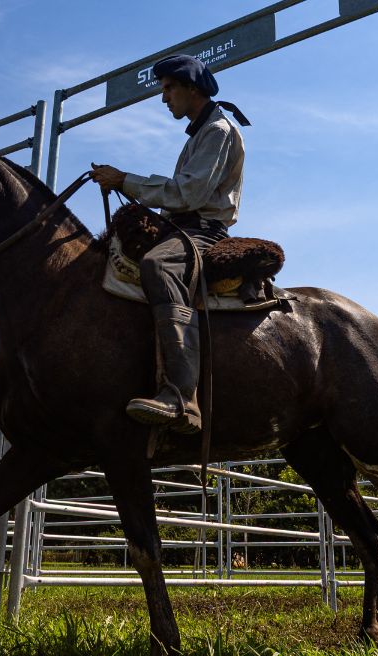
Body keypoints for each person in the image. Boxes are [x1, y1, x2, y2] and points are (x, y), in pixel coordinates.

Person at [91, 54, 249, 435]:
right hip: (184, 228)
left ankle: (181, 395)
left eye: (168, 89)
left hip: (203, 232)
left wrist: (125, 181)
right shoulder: (200, 134)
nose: (164, 98)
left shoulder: (218, 130)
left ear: (191, 88)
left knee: (158, 265)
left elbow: (187, 194)